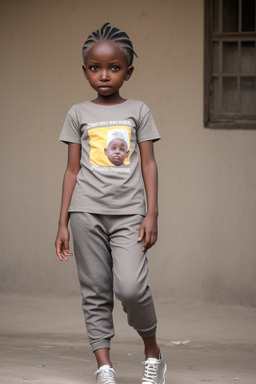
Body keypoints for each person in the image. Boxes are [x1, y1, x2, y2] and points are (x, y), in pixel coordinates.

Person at [55, 22, 167, 384]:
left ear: (128, 72)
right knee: (95, 289)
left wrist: (152, 212)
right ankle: (104, 365)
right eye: (95, 67)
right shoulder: (77, 114)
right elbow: (72, 171)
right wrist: (62, 223)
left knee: (131, 288)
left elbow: (148, 163)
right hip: (85, 213)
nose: (104, 75)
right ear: (85, 70)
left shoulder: (139, 110)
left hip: (130, 215)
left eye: (114, 68)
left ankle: (153, 351)